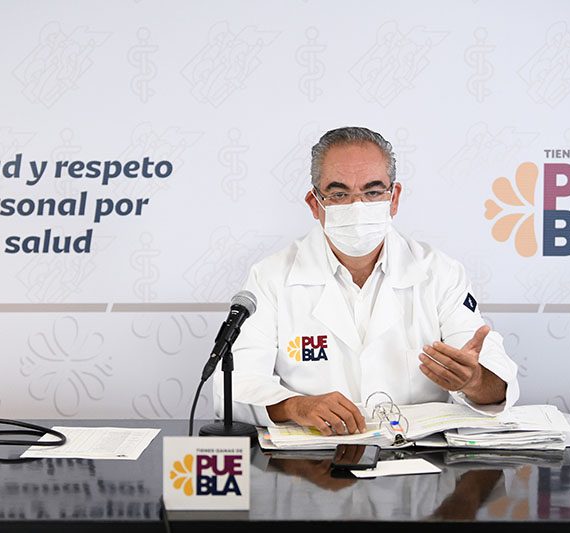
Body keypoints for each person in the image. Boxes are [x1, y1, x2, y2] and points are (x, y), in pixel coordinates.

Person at [214, 126, 519, 436]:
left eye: (372, 192)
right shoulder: (270, 277)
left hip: (418, 457)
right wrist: (296, 406)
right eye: (339, 194)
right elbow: (233, 385)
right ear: (315, 204)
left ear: (394, 198)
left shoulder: (441, 273)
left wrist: (475, 380)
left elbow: (497, 382)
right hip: (316, 457)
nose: (357, 207)